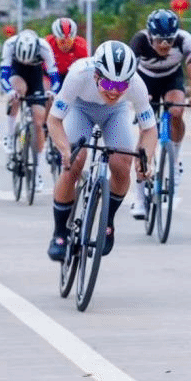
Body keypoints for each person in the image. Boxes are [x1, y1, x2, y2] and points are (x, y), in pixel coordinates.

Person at [46, 40, 157, 261]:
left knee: (122, 163)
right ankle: (59, 233)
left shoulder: (136, 84)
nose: (114, 92)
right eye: (108, 84)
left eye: (121, 87)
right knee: (74, 163)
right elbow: (54, 120)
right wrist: (65, 150)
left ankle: (108, 221)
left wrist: (146, 160)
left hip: (115, 113)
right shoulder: (79, 74)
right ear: (96, 75)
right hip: (81, 108)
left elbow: (149, 129)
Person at [128, 8, 191, 217]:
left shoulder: (185, 40)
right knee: (145, 132)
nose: (164, 45)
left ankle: (175, 160)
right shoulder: (140, 41)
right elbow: (129, 75)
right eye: (159, 40)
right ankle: (139, 198)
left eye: (169, 40)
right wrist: (138, 97)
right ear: (150, 35)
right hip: (144, 80)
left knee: (177, 110)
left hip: (171, 78)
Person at [0, 28, 61, 191]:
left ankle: (37, 171)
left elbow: (55, 77)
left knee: (39, 123)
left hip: (35, 76)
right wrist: (9, 91)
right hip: (17, 73)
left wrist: (52, 92)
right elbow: (3, 76)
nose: (26, 62)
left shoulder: (44, 47)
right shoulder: (10, 45)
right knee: (17, 92)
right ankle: (10, 136)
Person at [45, 17, 89, 87]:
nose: (65, 45)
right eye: (62, 42)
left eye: (69, 42)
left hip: (71, 74)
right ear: (55, 38)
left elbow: (85, 72)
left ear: (74, 38)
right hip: (51, 73)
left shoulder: (81, 45)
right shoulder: (48, 44)